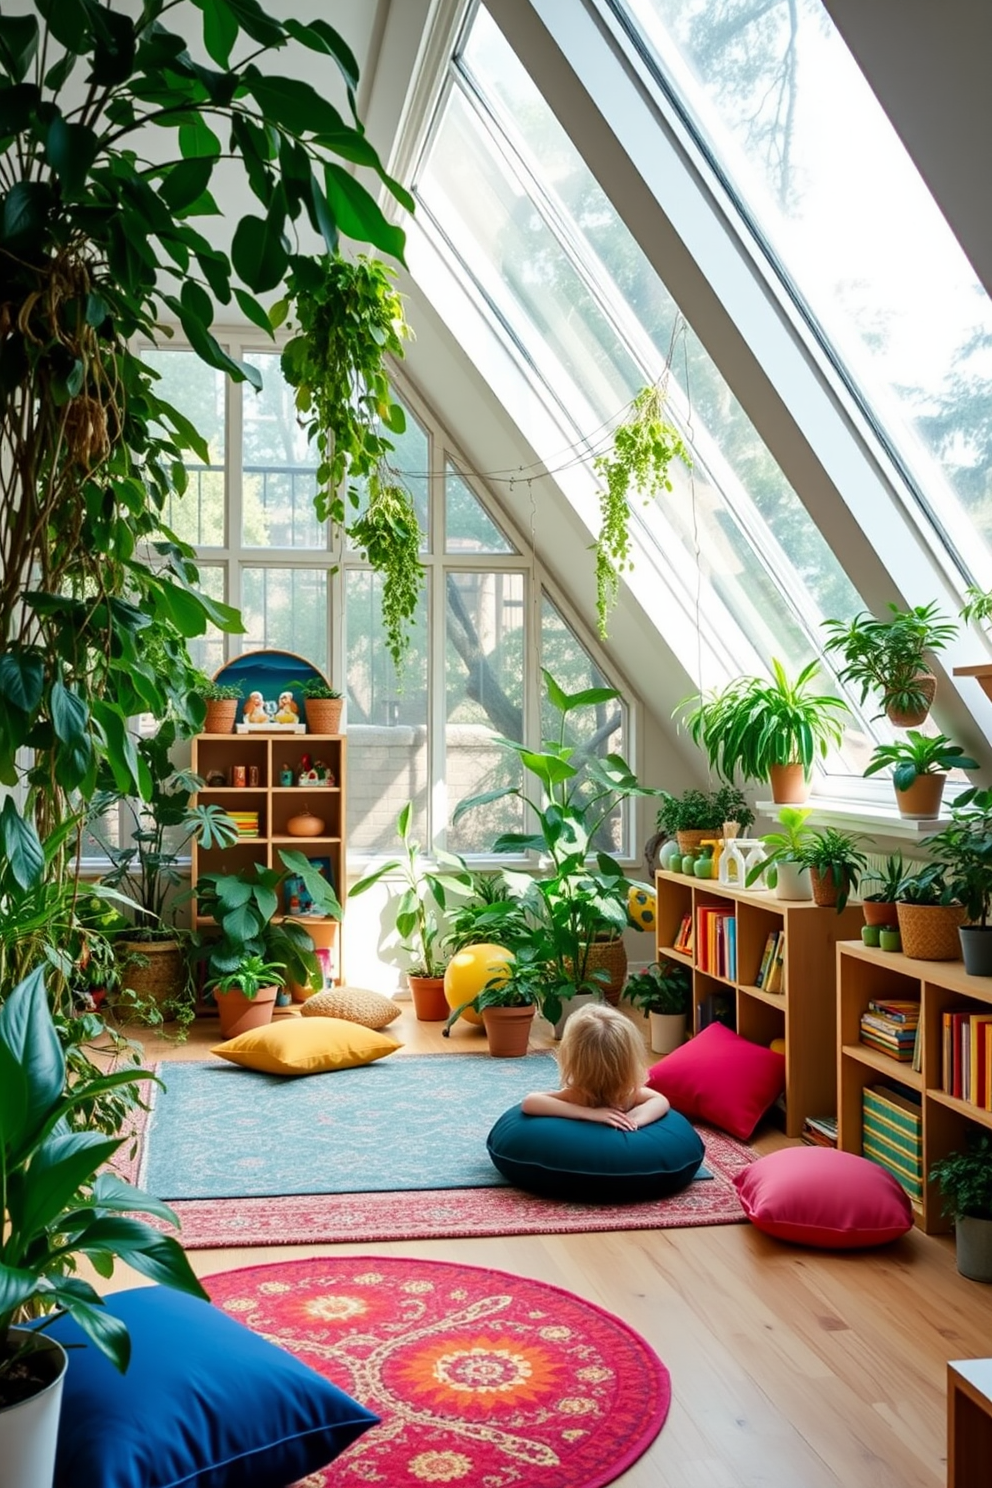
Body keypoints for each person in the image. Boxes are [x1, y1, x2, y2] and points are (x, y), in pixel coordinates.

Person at [522, 1003, 671, 1131]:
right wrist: (589, 1113)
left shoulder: (576, 1095)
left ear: (571, 1061)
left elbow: (530, 1101)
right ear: (630, 1062)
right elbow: (661, 1100)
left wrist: (630, 1121)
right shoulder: (627, 1095)